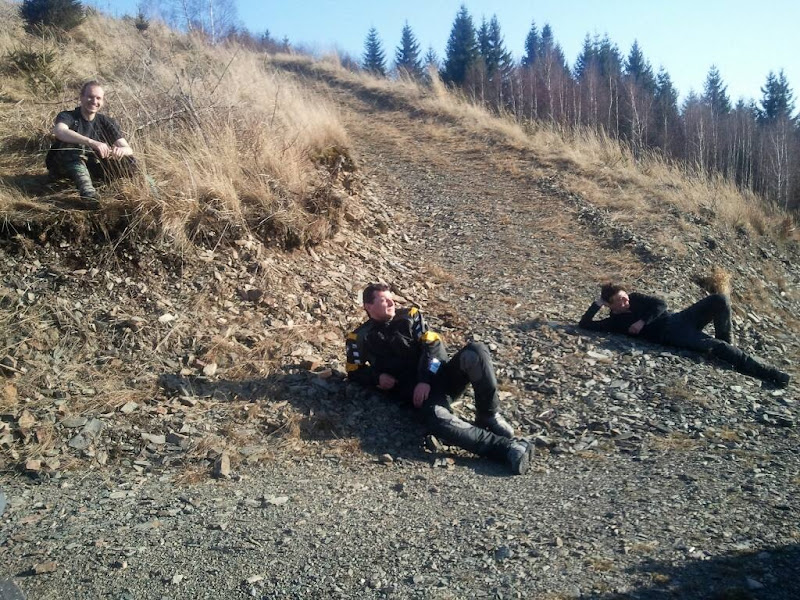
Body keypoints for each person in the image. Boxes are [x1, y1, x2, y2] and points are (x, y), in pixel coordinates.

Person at [346, 283, 533, 475]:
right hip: (420, 397)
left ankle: (488, 415)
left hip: (440, 377)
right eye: (384, 300)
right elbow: (354, 371)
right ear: (368, 306)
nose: (392, 303)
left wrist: (425, 379)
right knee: (438, 419)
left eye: (391, 298)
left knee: (475, 351)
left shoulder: (411, 316)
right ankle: (508, 449)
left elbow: (434, 347)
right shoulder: (358, 337)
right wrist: (377, 377)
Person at [579, 282, 790, 387]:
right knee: (718, 347)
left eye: (624, 296)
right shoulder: (615, 323)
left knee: (720, 300)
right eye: (620, 301)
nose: (626, 301)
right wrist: (597, 303)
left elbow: (661, 304)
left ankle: (729, 347)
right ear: (610, 305)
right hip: (671, 334)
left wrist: (642, 321)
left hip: (680, 318)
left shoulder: (635, 297)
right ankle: (770, 374)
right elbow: (585, 324)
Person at [46, 81, 136, 203]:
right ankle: (89, 195)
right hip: (63, 166)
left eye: (98, 98)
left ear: (102, 101)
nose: (94, 101)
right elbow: (59, 131)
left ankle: (131, 193)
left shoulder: (106, 122)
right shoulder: (68, 116)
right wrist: (92, 142)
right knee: (74, 146)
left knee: (130, 160)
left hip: (92, 166)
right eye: (90, 96)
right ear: (81, 97)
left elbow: (128, 149)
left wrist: (120, 151)